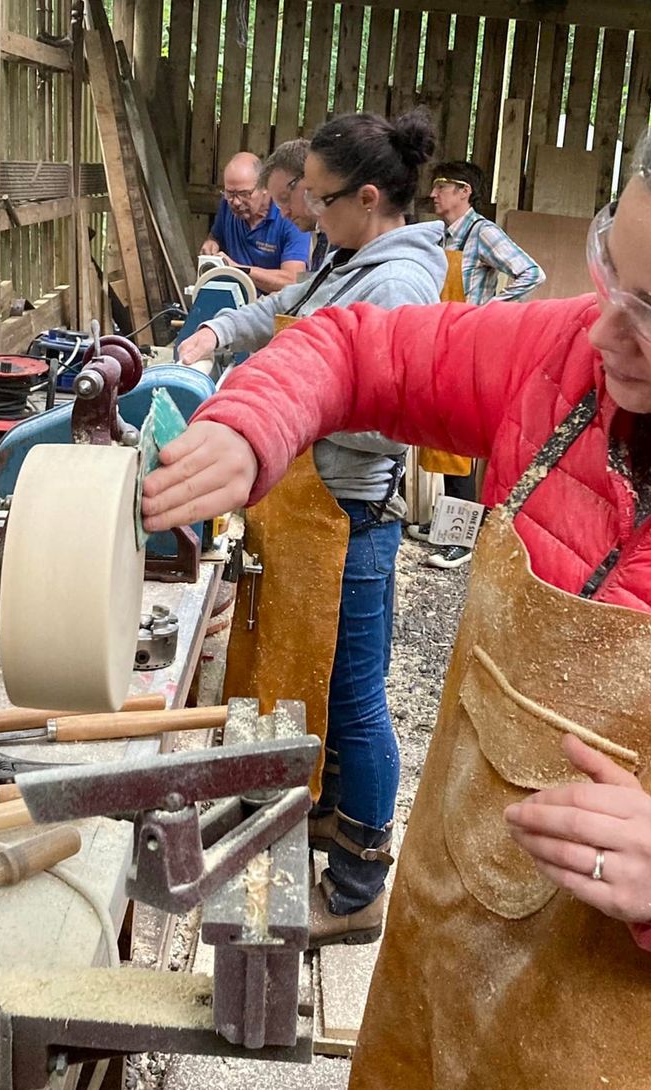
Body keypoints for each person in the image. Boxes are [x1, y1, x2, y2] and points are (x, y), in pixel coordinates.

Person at [144, 67, 651, 1090]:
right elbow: (351, 346)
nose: (602, 330)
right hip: (444, 963)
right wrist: (254, 425)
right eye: (612, 268)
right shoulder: (564, 364)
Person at [181, 109, 446, 948]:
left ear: (369, 198)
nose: (310, 214)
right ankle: (329, 817)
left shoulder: (398, 284)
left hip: (351, 516)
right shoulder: (351, 262)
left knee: (360, 701)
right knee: (326, 681)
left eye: (323, 201)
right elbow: (290, 307)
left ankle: (363, 880)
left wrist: (284, 421)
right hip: (312, 507)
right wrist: (216, 332)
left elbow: (393, 421)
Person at [413, 159, 547, 569]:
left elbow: (531, 273)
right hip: (441, 340)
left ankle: (460, 540)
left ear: (464, 192)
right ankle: (447, 524)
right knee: (437, 435)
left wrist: (487, 314)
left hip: (467, 345)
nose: (433, 194)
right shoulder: (441, 236)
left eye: (441, 187)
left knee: (458, 443)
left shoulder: (481, 232)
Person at [201, 152, 311, 294]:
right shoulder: (227, 205)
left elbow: (292, 281)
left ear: (265, 187)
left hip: (275, 307)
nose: (236, 202)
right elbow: (215, 236)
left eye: (244, 194)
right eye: (230, 193)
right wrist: (211, 243)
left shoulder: (290, 217)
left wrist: (237, 270)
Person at [260, 139, 330, 271]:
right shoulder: (322, 236)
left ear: (310, 180)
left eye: (285, 198)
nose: (284, 213)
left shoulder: (344, 241)